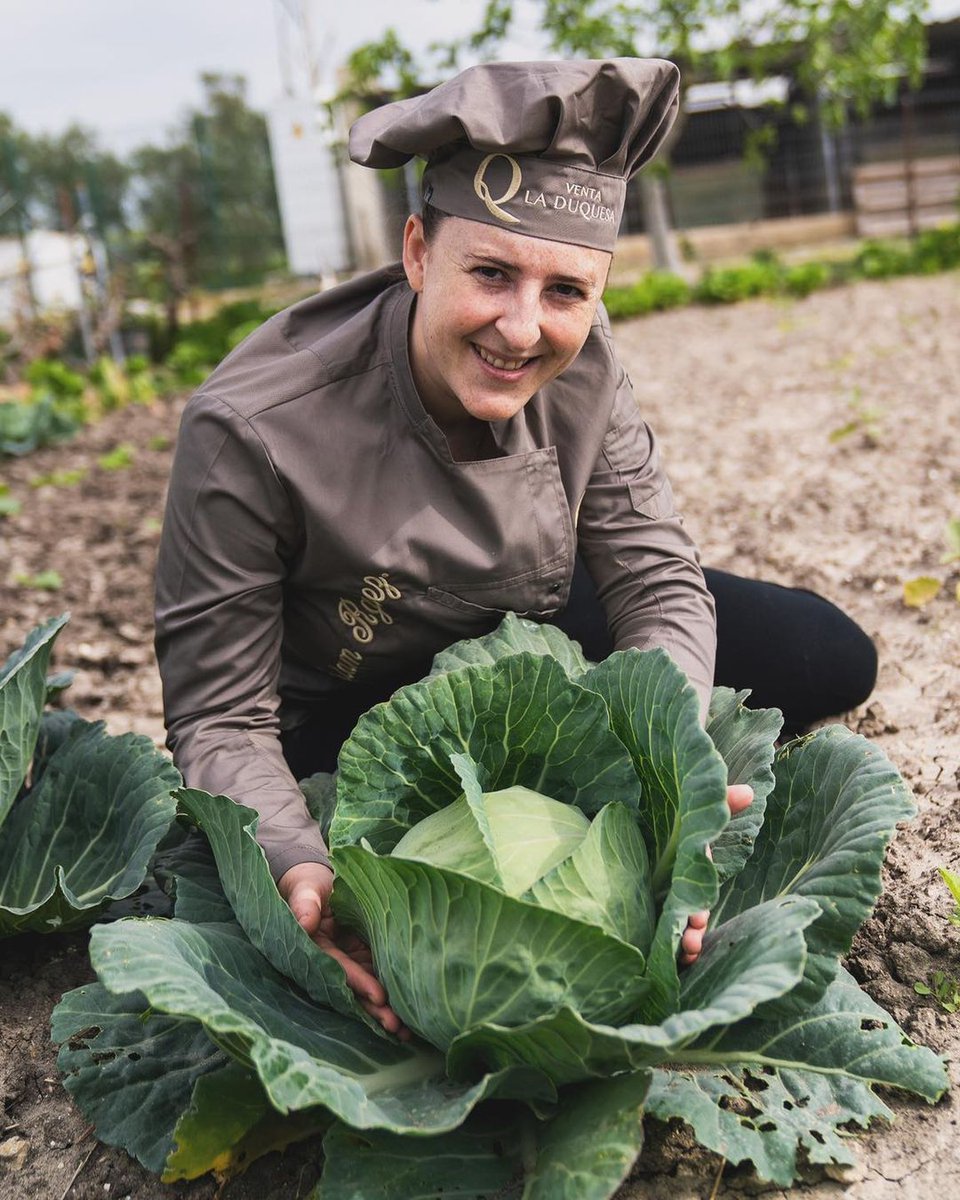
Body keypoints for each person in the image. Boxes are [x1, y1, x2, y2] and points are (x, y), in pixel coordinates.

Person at [154, 58, 876, 1034]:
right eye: (490, 273)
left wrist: (671, 775)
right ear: (417, 252)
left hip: (519, 633)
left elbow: (657, 581)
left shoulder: (588, 363)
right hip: (344, 711)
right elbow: (220, 718)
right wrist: (299, 867)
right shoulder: (251, 429)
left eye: (567, 290)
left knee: (827, 655)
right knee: (304, 844)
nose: (523, 328)